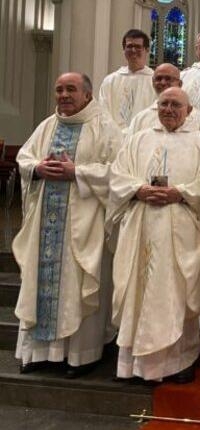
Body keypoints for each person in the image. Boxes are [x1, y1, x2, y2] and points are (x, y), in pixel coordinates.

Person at [14, 72, 121, 377]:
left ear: (87, 94)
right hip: (45, 224)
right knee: (40, 281)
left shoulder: (105, 127)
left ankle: (80, 355)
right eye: (59, 89)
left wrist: (79, 172)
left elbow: (119, 172)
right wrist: (37, 168)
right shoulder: (48, 125)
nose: (63, 95)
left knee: (77, 285)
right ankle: (39, 353)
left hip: (83, 225)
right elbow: (24, 158)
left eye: (70, 89)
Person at [108, 87, 200, 383]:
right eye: (164, 104)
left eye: (176, 105)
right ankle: (132, 365)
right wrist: (138, 189)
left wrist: (179, 192)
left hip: (179, 228)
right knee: (137, 292)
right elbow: (118, 175)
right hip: (141, 224)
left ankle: (178, 362)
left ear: (189, 111)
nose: (169, 109)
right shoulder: (139, 138)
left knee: (176, 292)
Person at [127, 63, 200, 137]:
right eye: (159, 79)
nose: (163, 82)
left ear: (180, 84)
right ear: (153, 83)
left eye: (168, 79)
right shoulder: (141, 119)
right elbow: (128, 151)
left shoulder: (199, 119)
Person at [98, 29, 157, 129]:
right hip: (114, 139)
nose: (133, 50)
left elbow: (156, 113)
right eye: (129, 46)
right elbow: (103, 111)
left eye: (138, 47)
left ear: (147, 50)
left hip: (143, 137)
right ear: (124, 49)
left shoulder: (155, 81)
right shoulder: (110, 81)